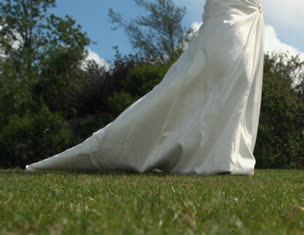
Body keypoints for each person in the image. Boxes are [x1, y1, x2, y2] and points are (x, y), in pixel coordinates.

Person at [26, 0, 264, 175]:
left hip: (251, 19)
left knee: (236, 87)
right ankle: (214, 158)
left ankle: (223, 157)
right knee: (198, 85)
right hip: (228, 22)